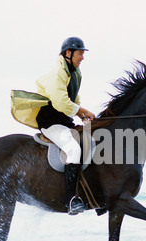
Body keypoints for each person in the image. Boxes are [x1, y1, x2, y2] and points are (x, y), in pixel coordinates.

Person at [35, 37, 95, 215]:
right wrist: (81, 111)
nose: (83, 57)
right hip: (50, 123)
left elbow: (74, 99)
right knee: (73, 150)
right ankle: (71, 200)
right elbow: (61, 103)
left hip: (64, 122)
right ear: (68, 54)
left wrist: (83, 115)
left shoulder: (76, 73)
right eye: (80, 54)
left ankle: (94, 196)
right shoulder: (57, 74)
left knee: (91, 142)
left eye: (83, 54)